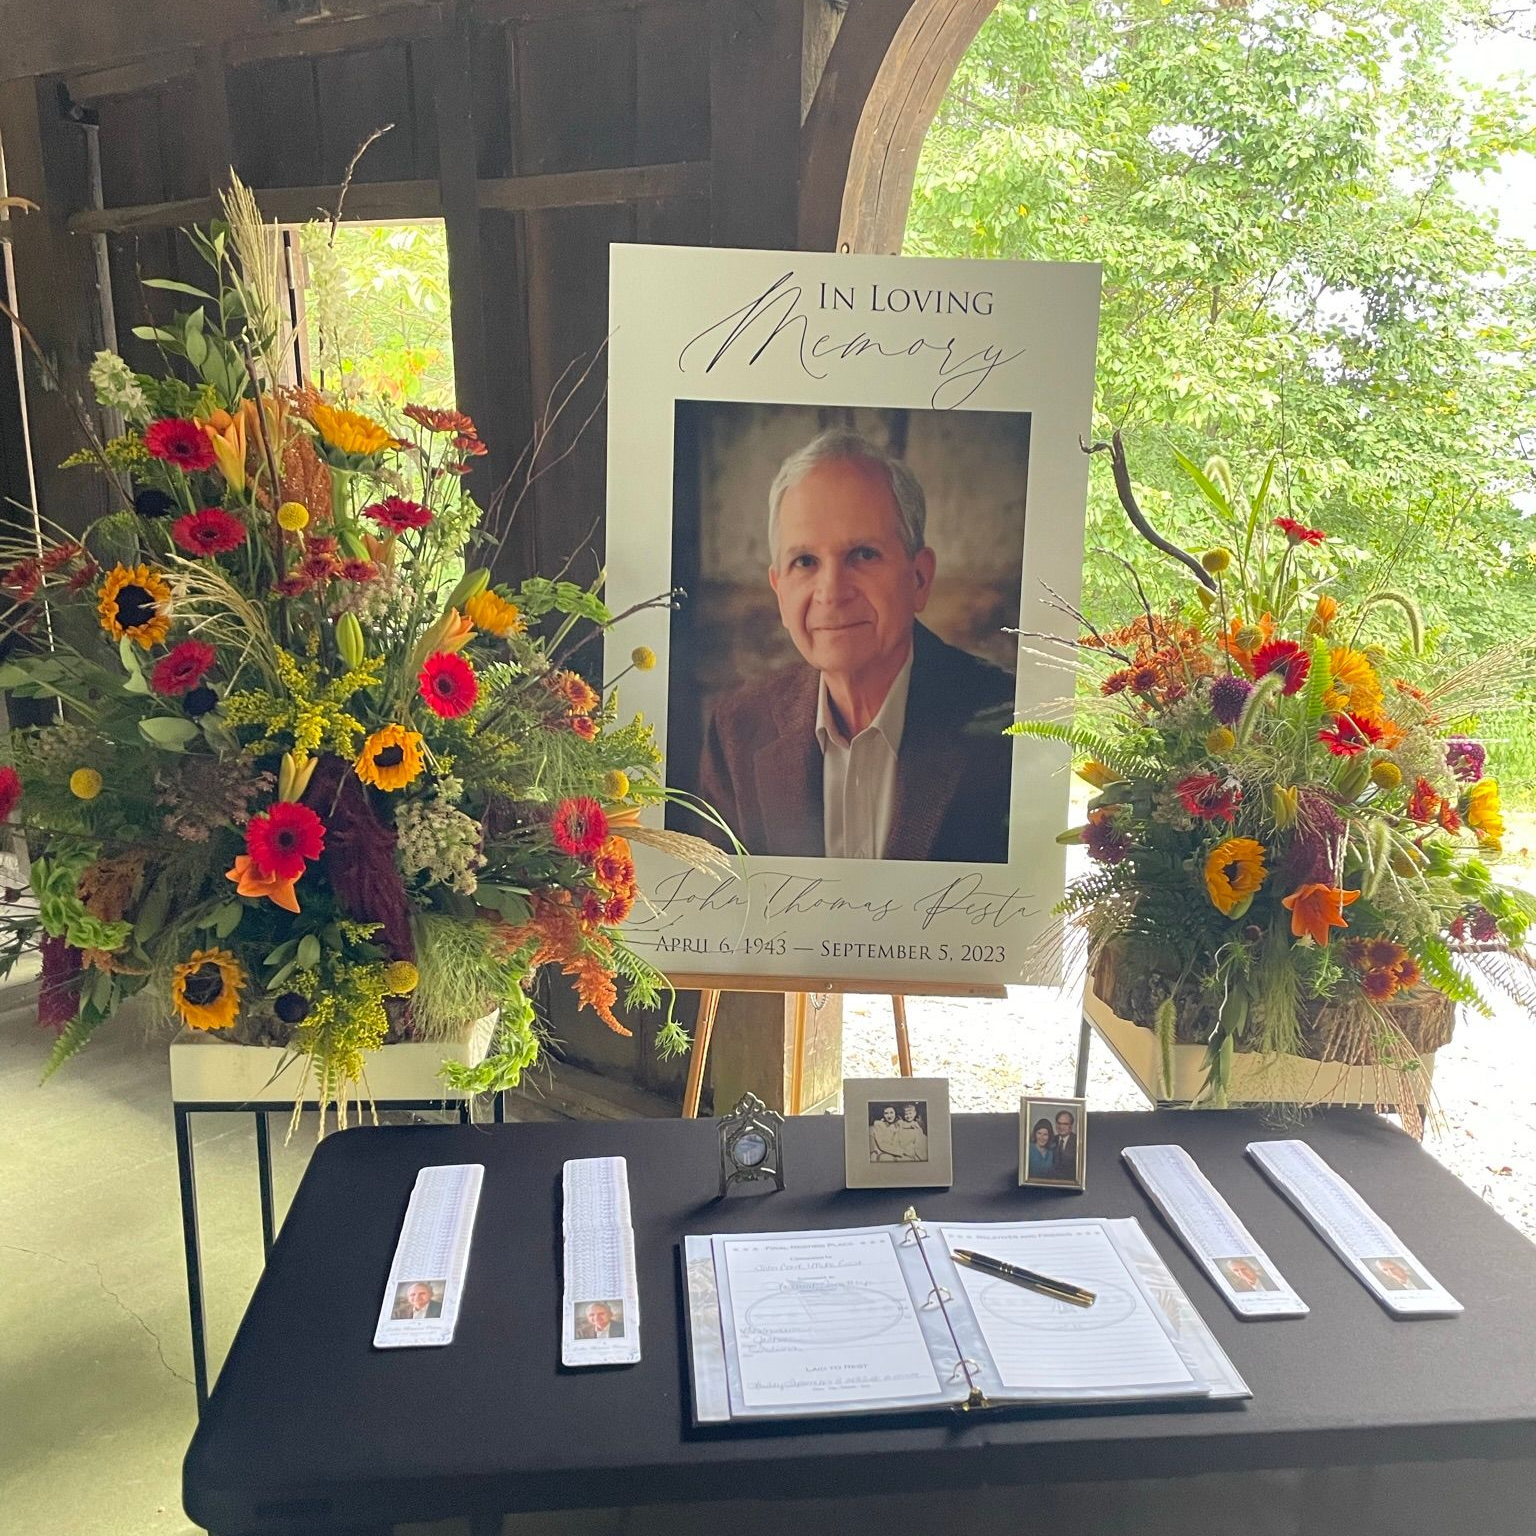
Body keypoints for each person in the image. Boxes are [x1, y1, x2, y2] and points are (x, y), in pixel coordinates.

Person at [697, 430, 1016, 863]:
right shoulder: (738, 730)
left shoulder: (1010, 725)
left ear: (918, 579)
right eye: (805, 562)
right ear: (779, 589)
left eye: (863, 555)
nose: (832, 591)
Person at [1052, 1109, 1079, 1180]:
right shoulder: (1051, 1140)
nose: (1061, 1127)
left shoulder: (1078, 1141)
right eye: (1059, 1123)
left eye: (1065, 1124)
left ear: (1071, 1126)